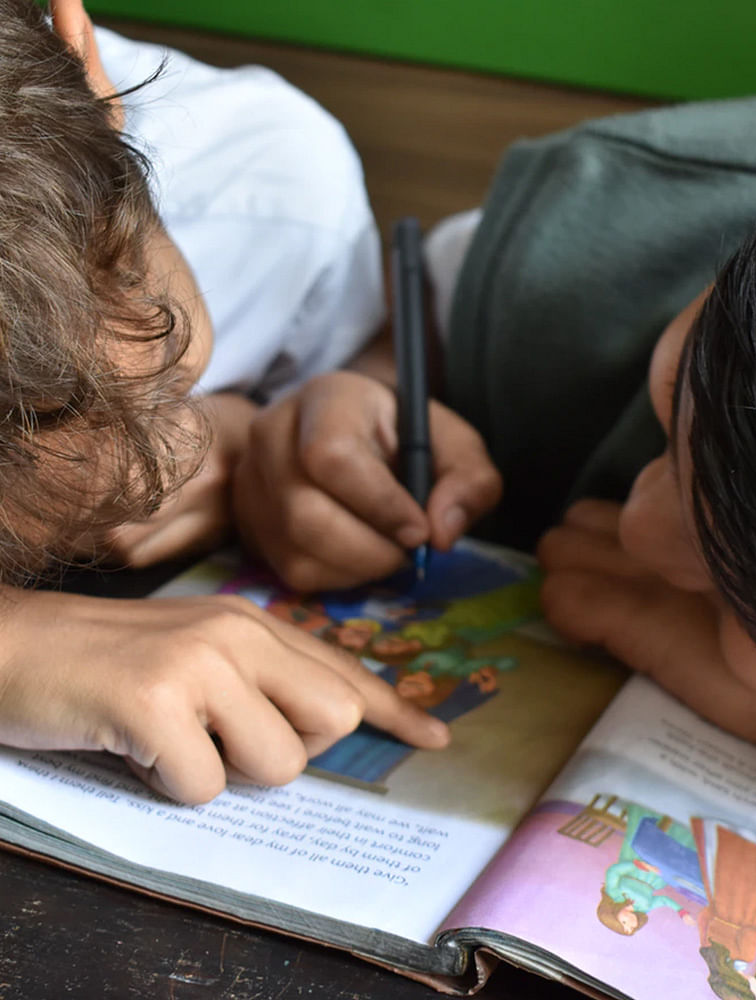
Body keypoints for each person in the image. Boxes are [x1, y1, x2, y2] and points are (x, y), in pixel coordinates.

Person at [242, 37, 756, 867]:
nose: (639, 529)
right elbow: (413, 318)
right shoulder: (603, 226)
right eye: (683, 396)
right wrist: (362, 387)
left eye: (748, 608)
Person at [0, 0, 451, 806]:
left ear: (82, 64)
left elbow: (360, 363)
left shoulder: (277, 201)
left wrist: (295, 425)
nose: (152, 478)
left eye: (172, 378)